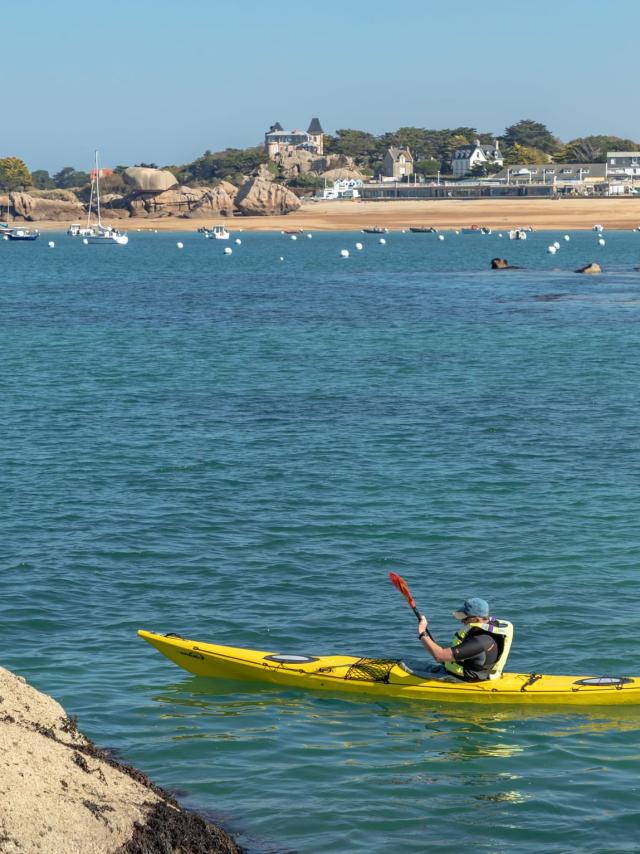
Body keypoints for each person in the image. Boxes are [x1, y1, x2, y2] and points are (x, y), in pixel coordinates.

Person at [416, 597, 505, 682]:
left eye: (465, 618)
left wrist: (422, 632)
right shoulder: (491, 629)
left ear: (477, 619)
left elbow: (439, 656)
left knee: (406, 666)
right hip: (479, 673)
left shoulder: (480, 641)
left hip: (464, 680)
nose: (462, 621)